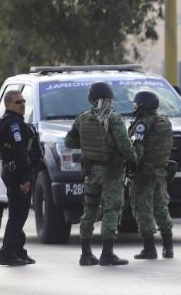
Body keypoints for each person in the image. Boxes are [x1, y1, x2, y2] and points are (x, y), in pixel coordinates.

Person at [65, 82, 141, 266]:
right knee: (111, 210)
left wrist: (87, 147)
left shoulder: (82, 118)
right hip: (112, 173)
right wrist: (135, 157)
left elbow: (69, 141)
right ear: (109, 99)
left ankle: (86, 253)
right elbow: (125, 146)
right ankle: (107, 253)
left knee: (89, 209)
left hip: (91, 172)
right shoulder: (113, 119)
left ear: (91, 99)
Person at [0, 90, 42, 266]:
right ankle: (6, 253)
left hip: (14, 172)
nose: (22, 104)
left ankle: (18, 251)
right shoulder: (14, 124)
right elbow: (20, 152)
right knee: (17, 216)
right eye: (17, 102)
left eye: (23, 101)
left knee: (19, 215)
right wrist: (24, 179)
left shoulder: (15, 121)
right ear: (7, 105)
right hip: (17, 174)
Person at [128, 90, 175, 260]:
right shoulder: (165, 122)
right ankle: (168, 247)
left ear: (143, 105)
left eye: (136, 104)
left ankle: (149, 248)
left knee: (143, 209)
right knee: (161, 208)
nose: (134, 107)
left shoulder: (142, 124)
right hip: (160, 172)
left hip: (143, 175)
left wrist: (129, 164)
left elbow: (137, 149)